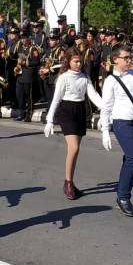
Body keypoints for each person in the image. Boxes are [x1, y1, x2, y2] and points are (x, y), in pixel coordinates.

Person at [44, 48, 104, 200]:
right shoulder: (64, 77)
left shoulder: (84, 77)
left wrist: (107, 108)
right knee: (74, 147)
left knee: (75, 151)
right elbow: (56, 99)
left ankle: (70, 180)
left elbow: (93, 95)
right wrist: (49, 119)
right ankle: (68, 183)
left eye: (79, 61)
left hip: (80, 111)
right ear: (68, 62)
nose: (78, 64)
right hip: (67, 111)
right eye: (75, 61)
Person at [100, 44, 133, 216]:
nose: (129, 60)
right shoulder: (111, 81)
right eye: (125, 58)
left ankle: (122, 190)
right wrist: (105, 130)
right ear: (115, 60)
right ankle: (123, 197)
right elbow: (106, 107)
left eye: (130, 57)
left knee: (129, 158)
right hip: (122, 122)